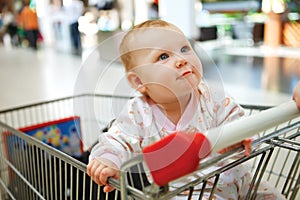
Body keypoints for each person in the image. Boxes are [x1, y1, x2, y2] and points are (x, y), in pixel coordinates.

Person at [87, 19, 285, 199]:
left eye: (184, 48)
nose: (181, 59)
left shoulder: (213, 98)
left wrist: (236, 136)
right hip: (184, 193)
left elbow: (240, 123)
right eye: (163, 56)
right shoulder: (138, 113)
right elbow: (114, 140)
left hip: (238, 180)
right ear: (139, 81)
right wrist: (108, 160)